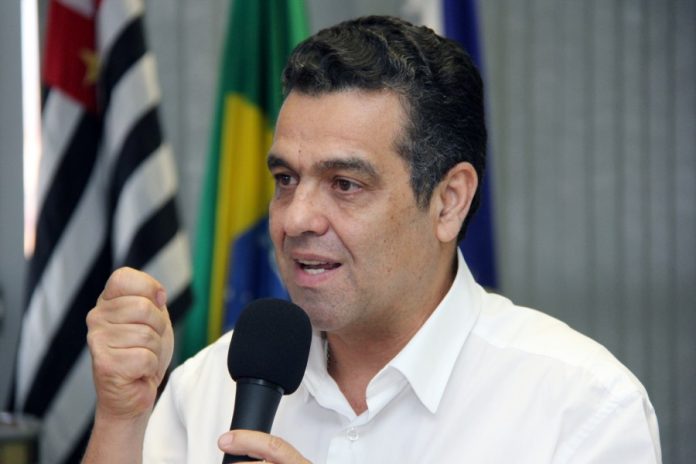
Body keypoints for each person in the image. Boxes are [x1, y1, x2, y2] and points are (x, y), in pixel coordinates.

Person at [83, 16, 661, 463]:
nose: (296, 218)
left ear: (448, 201)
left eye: (345, 184)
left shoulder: (581, 406)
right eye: (285, 179)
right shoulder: (207, 384)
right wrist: (121, 418)